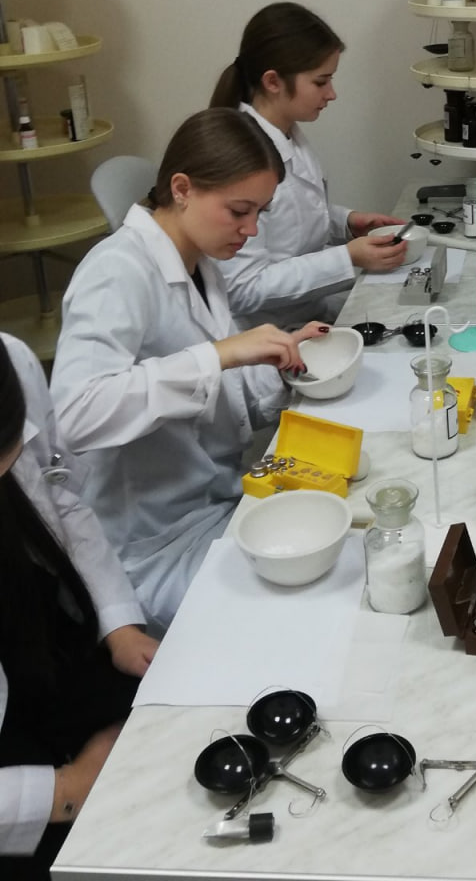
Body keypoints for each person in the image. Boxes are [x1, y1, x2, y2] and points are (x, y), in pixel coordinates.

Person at [51, 109, 326, 633]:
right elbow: (76, 414)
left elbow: (216, 400)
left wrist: (280, 364)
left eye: (260, 213)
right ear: (182, 188)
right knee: (298, 620)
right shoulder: (116, 272)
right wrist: (219, 355)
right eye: (239, 211)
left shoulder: (200, 264)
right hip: (147, 548)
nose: (251, 230)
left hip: (213, 502)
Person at [0, 334, 158, 880]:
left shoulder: (11, 361)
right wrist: (63, 791)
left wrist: (118, 624)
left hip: (30, 614)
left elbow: (57, 492)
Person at [210, 2, 407, 328]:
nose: (332, 94)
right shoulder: (238, 161)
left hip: (307, 311)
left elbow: (291, 220)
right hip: (266, 330)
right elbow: (243, 288)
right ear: (273, 81)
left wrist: (346, 223)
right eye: (320, 82)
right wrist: (347, 257)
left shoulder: (289, 136)